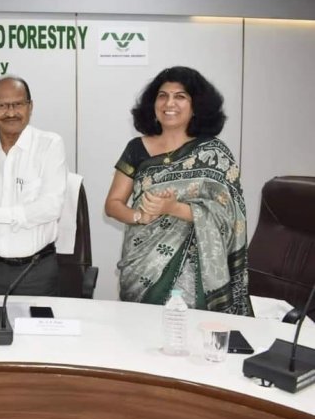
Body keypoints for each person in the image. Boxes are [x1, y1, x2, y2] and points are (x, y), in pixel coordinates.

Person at [104, 66, 252, 315]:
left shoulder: (214, 153)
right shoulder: (136, 148)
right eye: (162, 95)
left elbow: (230, 214)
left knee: (189, 339)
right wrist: (140, 216)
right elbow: (113, 203)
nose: (169, 103)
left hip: (200, 271)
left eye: (180, 96)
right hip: (143, 265)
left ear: (197, 106)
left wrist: (174, 208)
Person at [0, 76, 68, 296]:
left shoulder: (50, 145)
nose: (11, 112)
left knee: (35, 331)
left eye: (18, 104)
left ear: (30, 106)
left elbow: (50, 207)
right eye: (2, 105)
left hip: (35, 272)